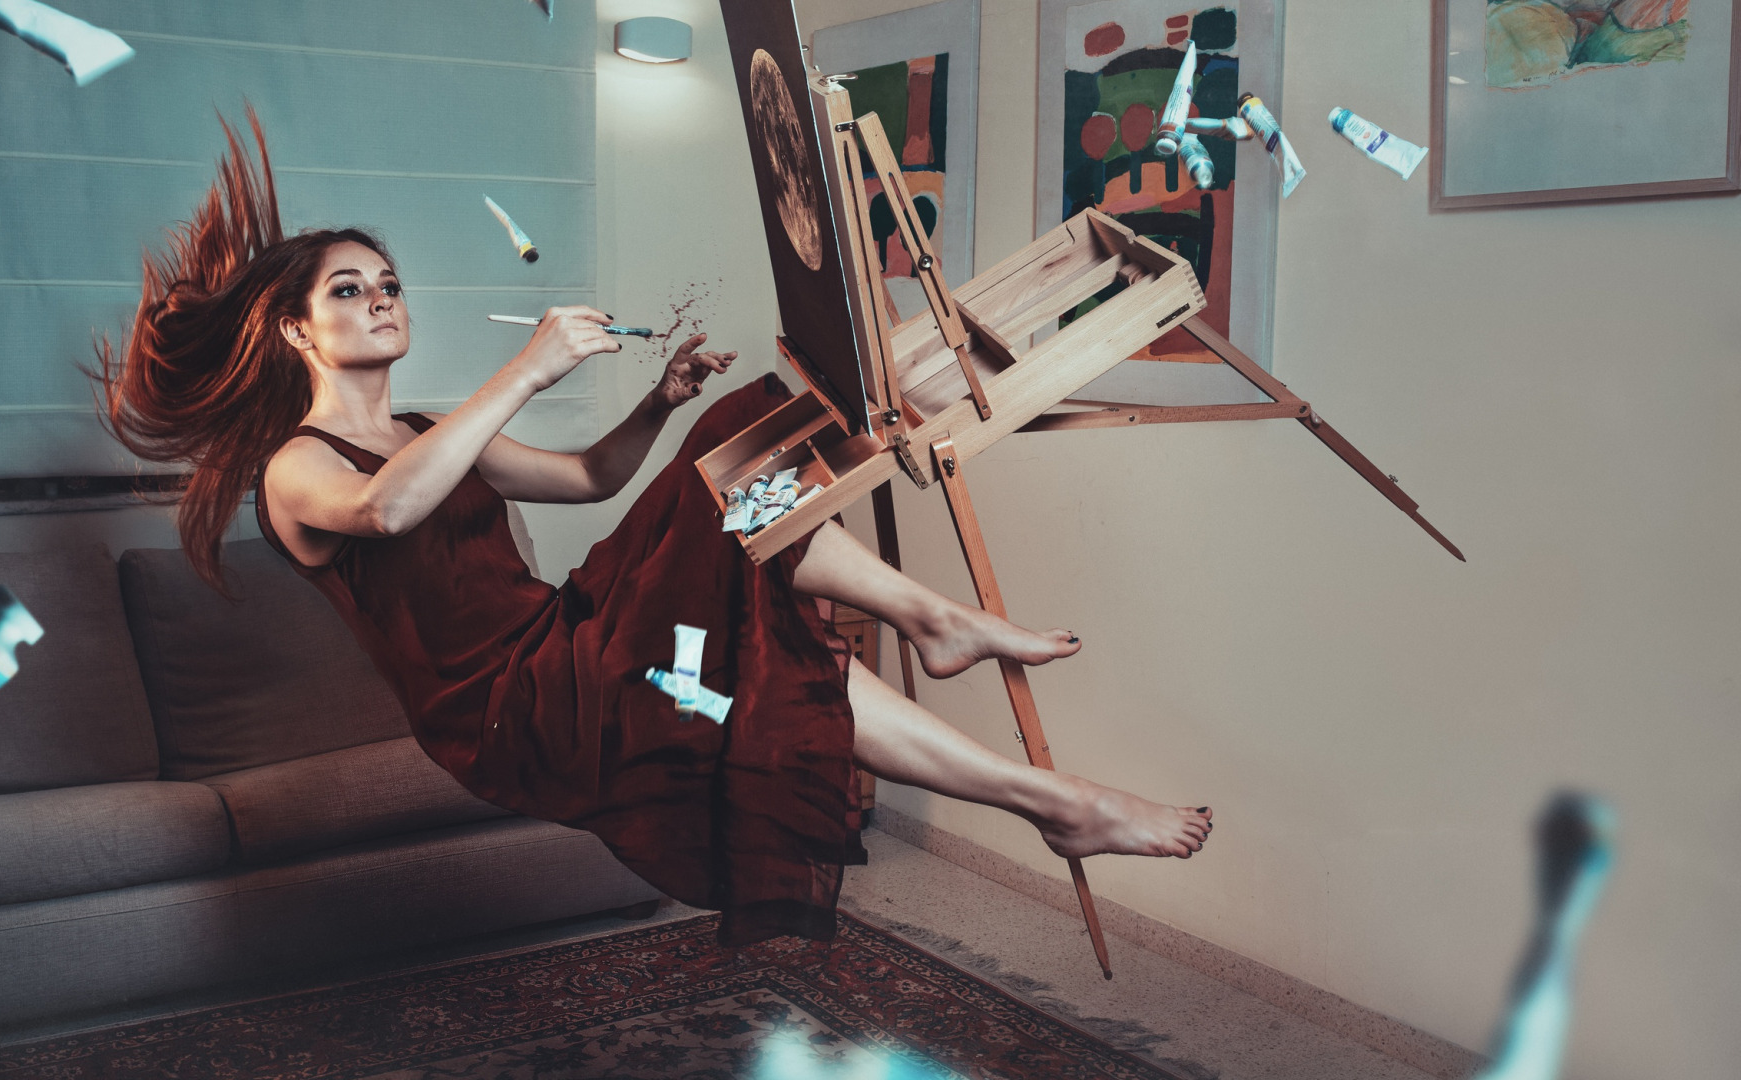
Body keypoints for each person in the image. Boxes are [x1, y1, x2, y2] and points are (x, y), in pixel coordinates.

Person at [96, 114, 1210, 945]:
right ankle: (942, 631)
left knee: (768, 652)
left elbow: (589, 479)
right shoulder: (299, 465)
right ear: (295, 330)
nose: (381, 299)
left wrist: (659, 402)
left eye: (387, 283)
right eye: (348, 291)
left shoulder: (433, 428)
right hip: (517, 710)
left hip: (586, 651)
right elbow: (388, 508)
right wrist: (528, 369)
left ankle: (1046, 789)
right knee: (741, 467)